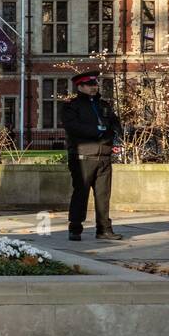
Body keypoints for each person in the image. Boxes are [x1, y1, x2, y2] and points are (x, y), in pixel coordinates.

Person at [61, 70, 124, 241]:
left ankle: (104, 229)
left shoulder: (104, 105)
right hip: (83, 157)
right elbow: (73, 127)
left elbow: (115, 124)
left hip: (104, 156)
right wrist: (98, 132)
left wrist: (112, 136)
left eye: (95, 84)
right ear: (80, 86)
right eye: (90, 85)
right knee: (80, 194)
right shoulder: (71, 106)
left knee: (103, 195)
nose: (94, 87)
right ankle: (75, 228)